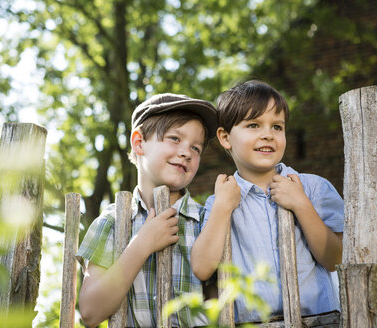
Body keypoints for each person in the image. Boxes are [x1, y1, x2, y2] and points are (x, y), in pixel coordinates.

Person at [191, 80, 344, 323]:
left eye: (277, 127)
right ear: (225, 137)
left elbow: (336, 260)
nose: (267, 135)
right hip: (251, 322)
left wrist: (301, 204)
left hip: (318, 320)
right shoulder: (221, 199)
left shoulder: (315, 188)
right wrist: (222, 207)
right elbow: (201, 268)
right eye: (253, 125)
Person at [76, 93, 218, 327]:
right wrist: (142, 245)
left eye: (196, 148)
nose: (187, 152)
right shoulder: (111, 222)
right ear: (139, 143)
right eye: (174, 138)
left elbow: (221, 305)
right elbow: (90, 313)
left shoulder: (207, 222)